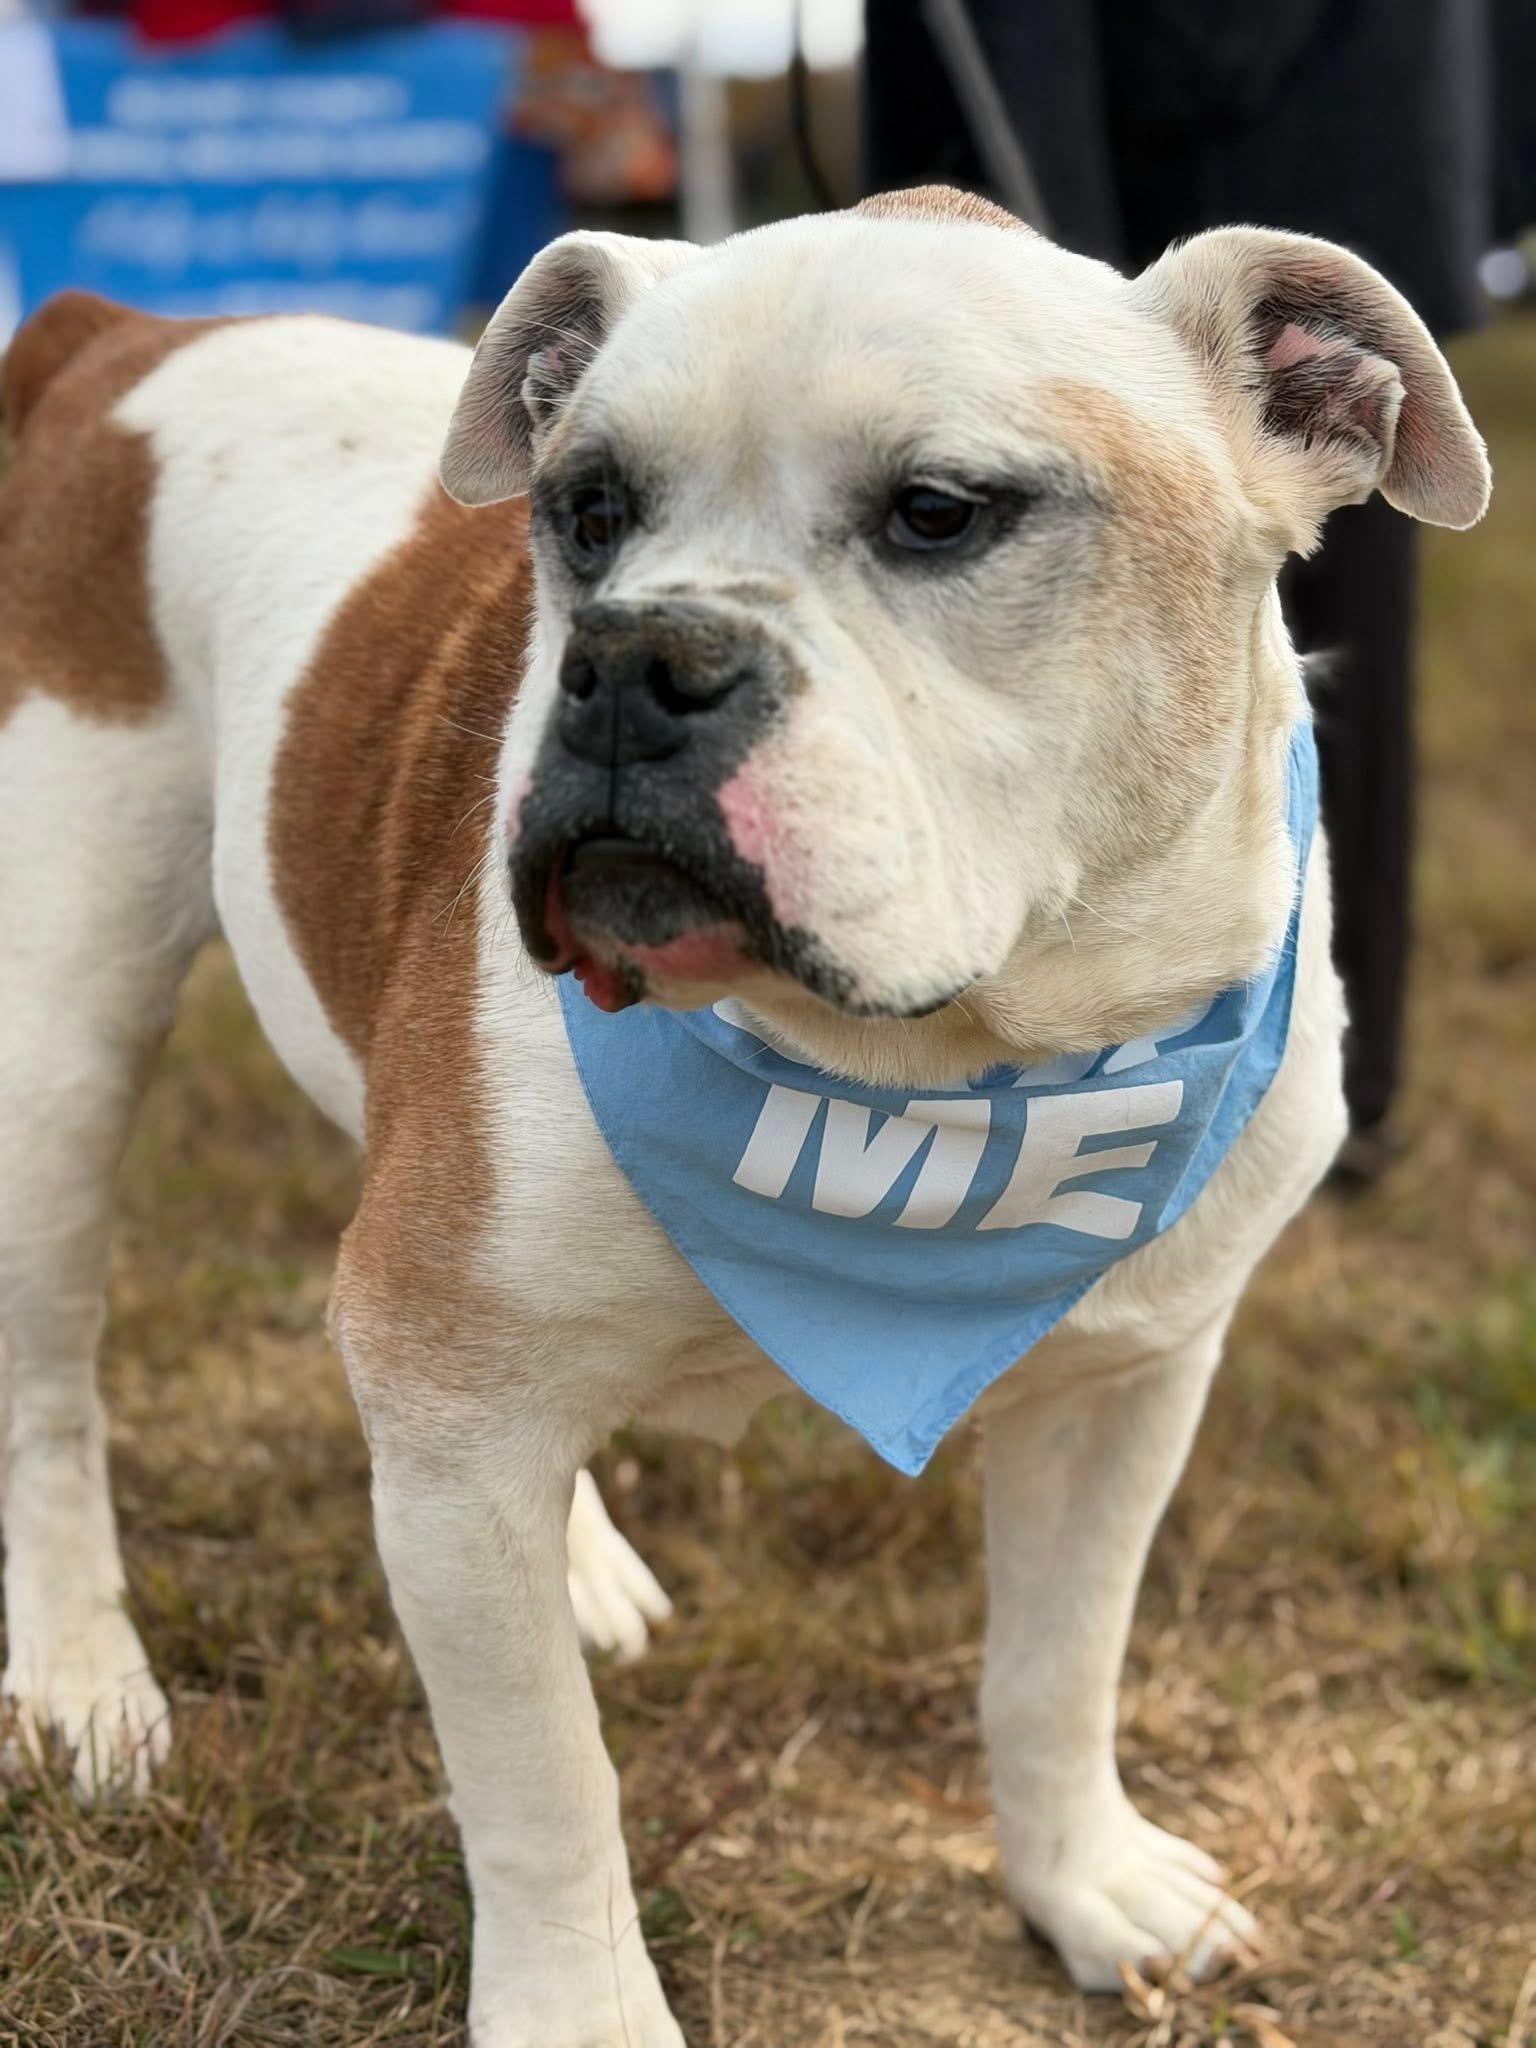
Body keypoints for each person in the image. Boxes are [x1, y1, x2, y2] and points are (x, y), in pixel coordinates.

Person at [864, 0, 1493, 1181]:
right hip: (1036, 120)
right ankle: (953, 1059)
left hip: (1274, 115)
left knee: (1317, 616)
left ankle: (1313, 1101)